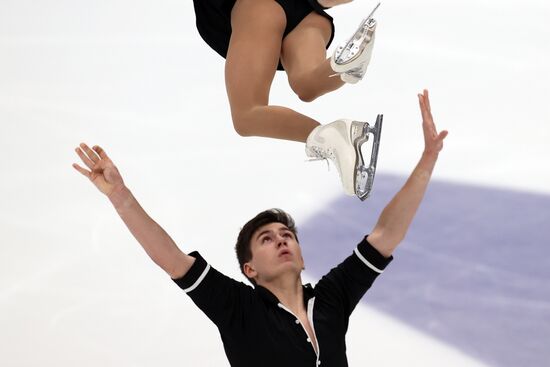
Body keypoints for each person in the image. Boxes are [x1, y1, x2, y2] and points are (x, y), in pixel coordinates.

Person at [72, 90, 448, 367]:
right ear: (249, 269)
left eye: (287, 236)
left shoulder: (331, 299)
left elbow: (385, 236)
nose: (282, 240)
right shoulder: (238, 309)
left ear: (301, 255)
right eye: (267, 239)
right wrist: (120, 196)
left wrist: (428, 159)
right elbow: (171, 260)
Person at [192, 0, 382, 199]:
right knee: (307, 84)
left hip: (261, 7)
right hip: (311, 15)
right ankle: (342, 68)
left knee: (246, 114)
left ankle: (332, 133)